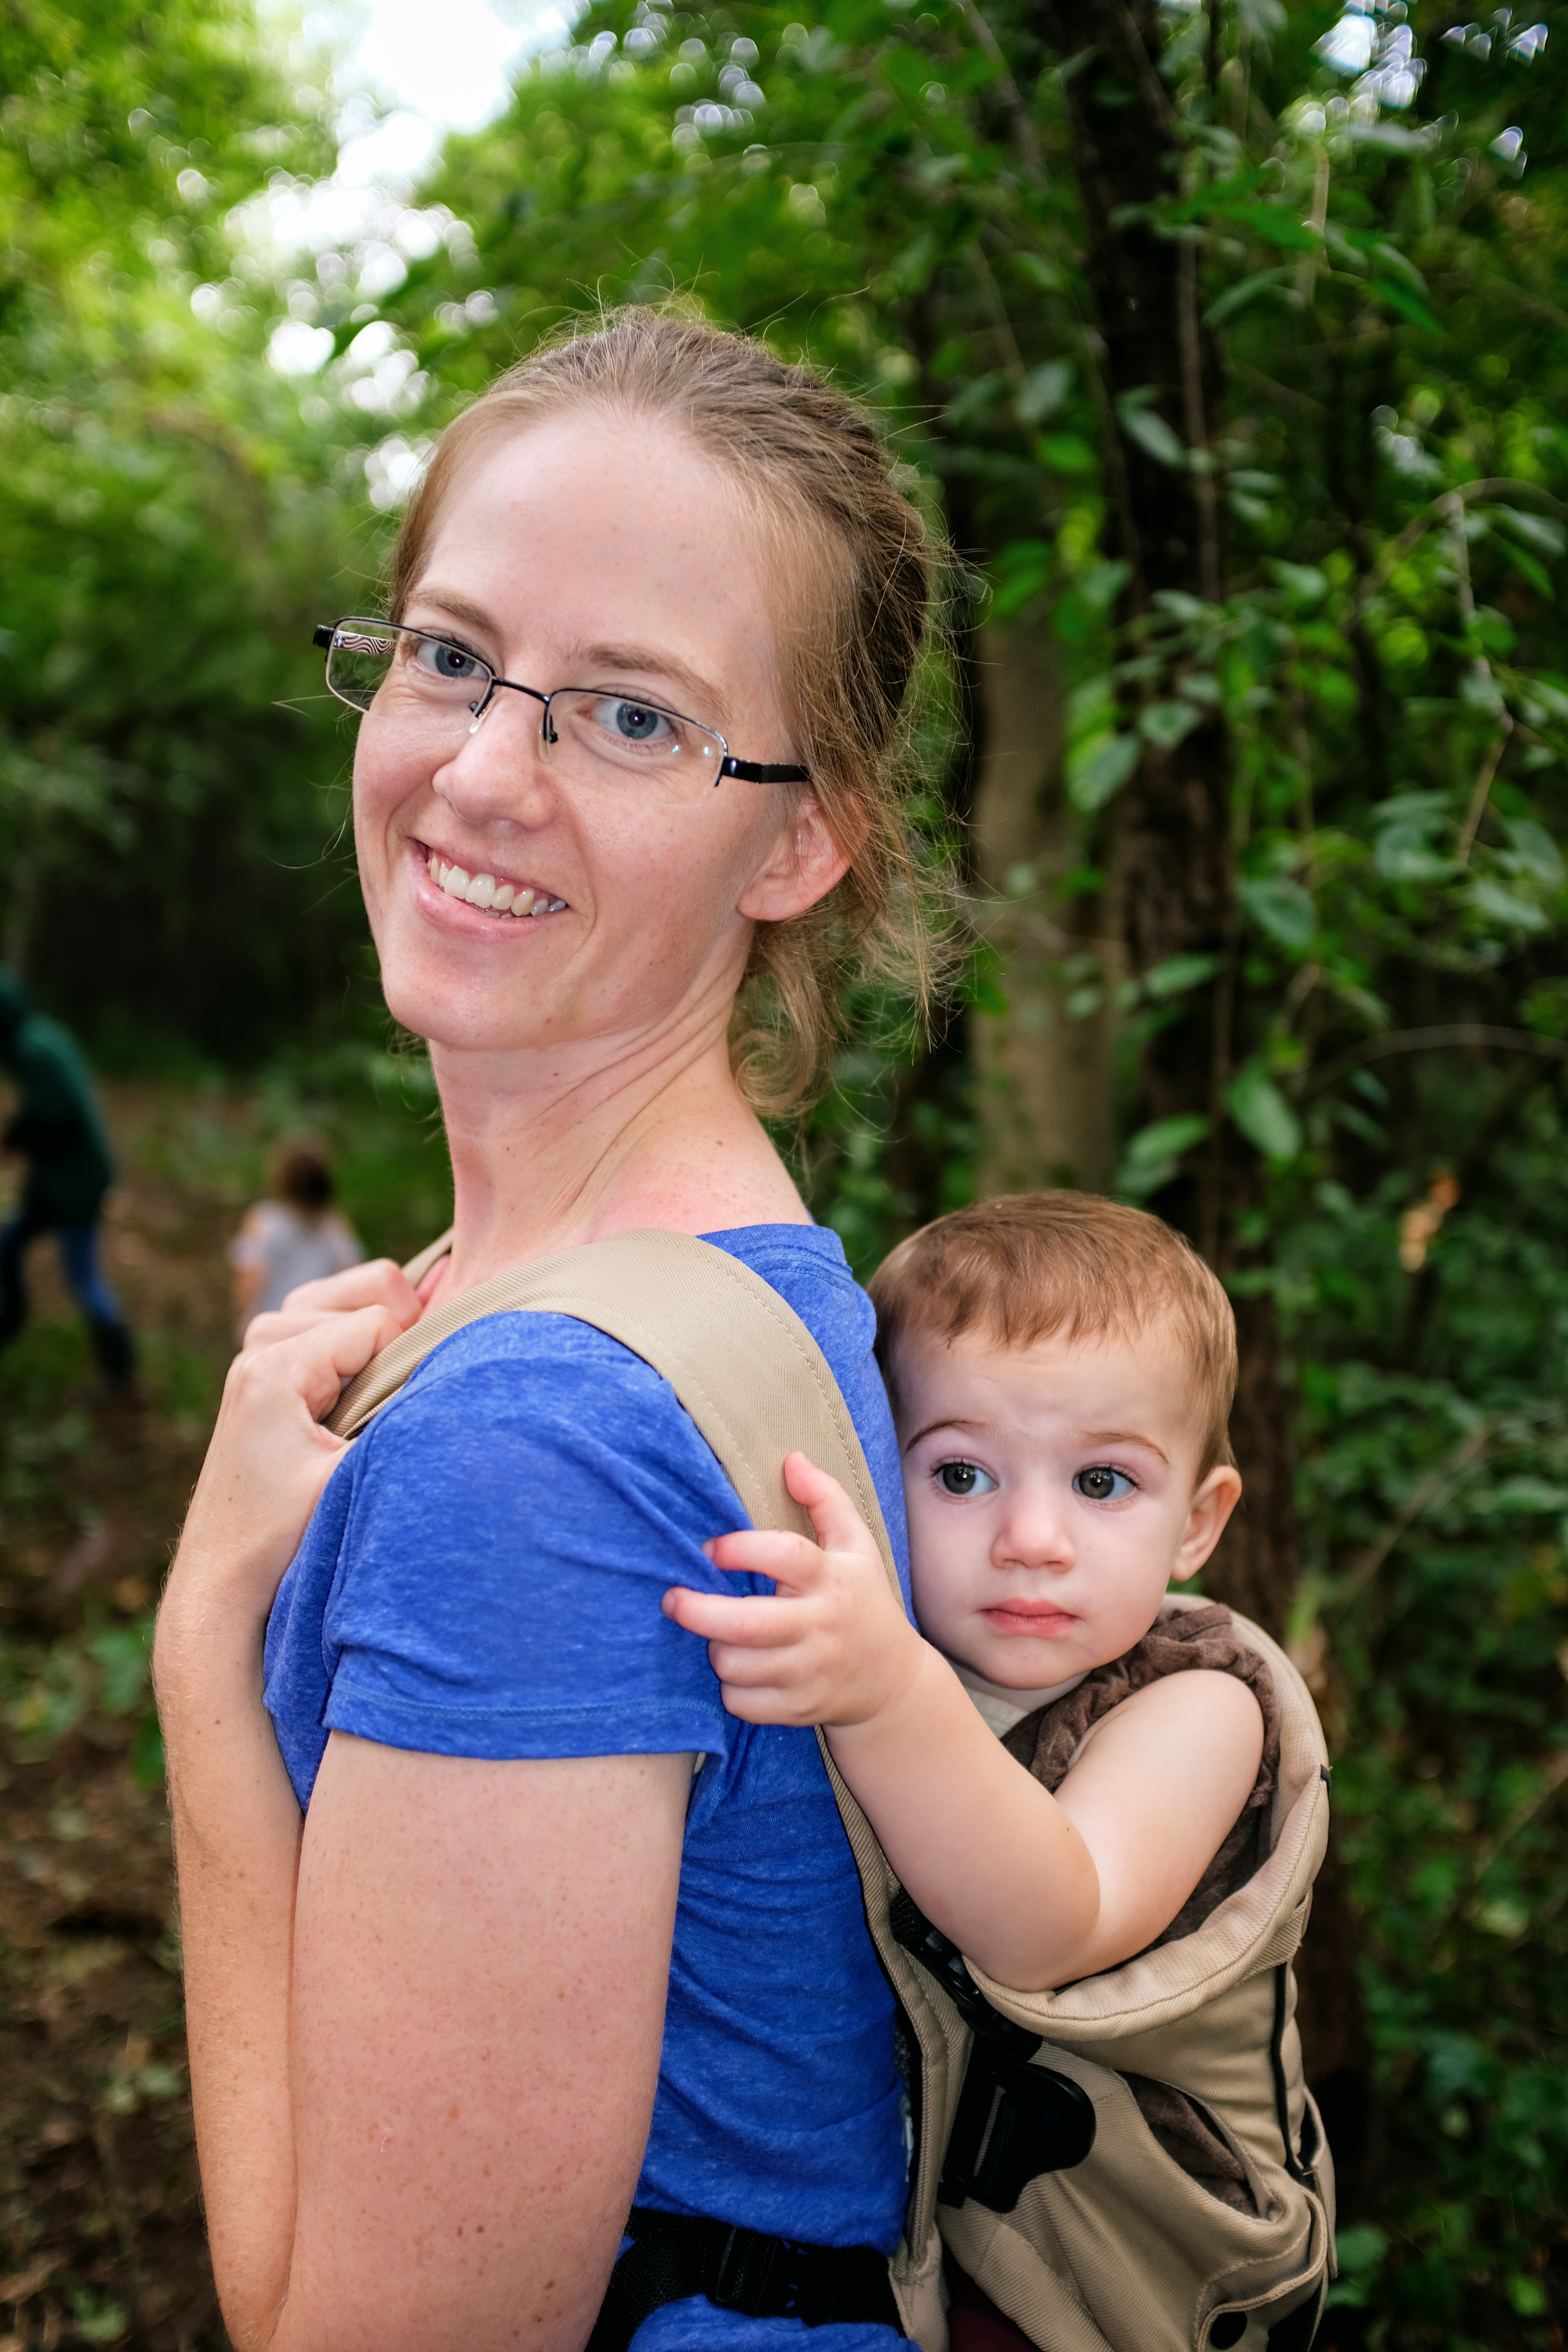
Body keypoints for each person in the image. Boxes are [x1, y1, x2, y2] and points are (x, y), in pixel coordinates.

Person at [152, 310, 944, 2352]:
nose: (483, 773)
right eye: (448, 655)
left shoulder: (536, 1445)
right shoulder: (772, 1286)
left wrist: (198, 1665)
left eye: (632, 718)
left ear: (803, 838)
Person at [666, 1193, 1277, 2346]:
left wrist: (887, 1692)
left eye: (1103, 1483)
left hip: (1116, 2281)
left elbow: (1053, 1920)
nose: (1031, 1539)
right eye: (960, 1476)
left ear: (1199, 1523)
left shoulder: (1199, 1709)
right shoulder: (894, 1642)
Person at [0, 969, 137, 1392]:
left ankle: (120, 1369)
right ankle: (13, 1317)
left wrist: (19, 1137)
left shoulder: (32, 1051)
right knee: (9, 1240)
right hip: (61, 1180)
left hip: (75, 1185)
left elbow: (59, 1122)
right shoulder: (41, 1038)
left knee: (85, 1276)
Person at [230, 1138, 363, 1342]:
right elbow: (351, 1273)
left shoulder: (264, 1220)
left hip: (270, 1327)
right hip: (317, 1329)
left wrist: (242, 1321)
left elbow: (250, 1278)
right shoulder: (334, 1226)